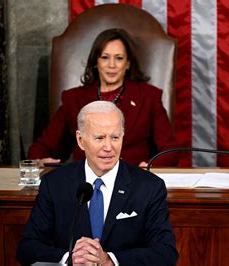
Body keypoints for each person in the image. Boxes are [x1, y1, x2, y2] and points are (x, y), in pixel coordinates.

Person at [17, 101, 178, 265]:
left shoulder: (149, 186)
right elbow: (27, 248)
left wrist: (110, 260)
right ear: (80, 140)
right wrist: (70, 258)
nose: (108, 147)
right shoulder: (55, 184)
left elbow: (166, 252)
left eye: (115, 137)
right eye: (99, 138)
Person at [28, 28, 178, 167]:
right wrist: (40, 161)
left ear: (128, 64)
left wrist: (149, 166)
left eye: (119, 58)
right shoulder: (74, 99)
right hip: (87, 184)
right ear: (96, 62)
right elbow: (42, 146)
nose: (111, 65)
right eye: (105, 57)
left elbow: (170, 150)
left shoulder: (148, 97)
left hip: (134, 181)